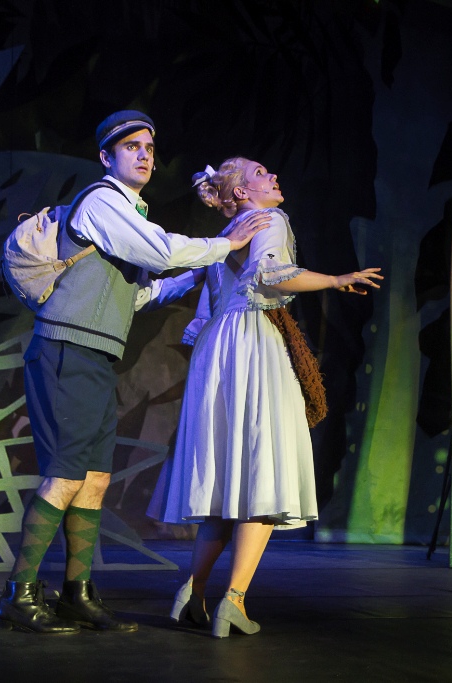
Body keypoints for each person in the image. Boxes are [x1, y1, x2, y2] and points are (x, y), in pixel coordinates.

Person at [0, 112, 271, 634]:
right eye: (132, 147)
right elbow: (159, 250)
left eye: (149, 146)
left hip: (96, 355)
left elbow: (138, 292)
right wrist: (226, 245)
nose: (145, 154)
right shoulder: (102, 200)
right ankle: (19, 593)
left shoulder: (127, 210)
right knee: (67, 475)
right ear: (106, 157)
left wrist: (200, 272)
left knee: (95, 479)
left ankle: (77, 592)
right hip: (65, 349)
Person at [147, 157, 383, 638]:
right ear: (240, 192)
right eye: (259, 173)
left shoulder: (227, 235)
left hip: (218, 350)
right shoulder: (269, 219)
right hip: (253, 343)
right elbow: (272, 275)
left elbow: (196, 292)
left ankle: (192, 592)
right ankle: (233, 601)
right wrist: (335, 280)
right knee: (260, 473)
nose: (273, 176)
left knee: (226, 481)